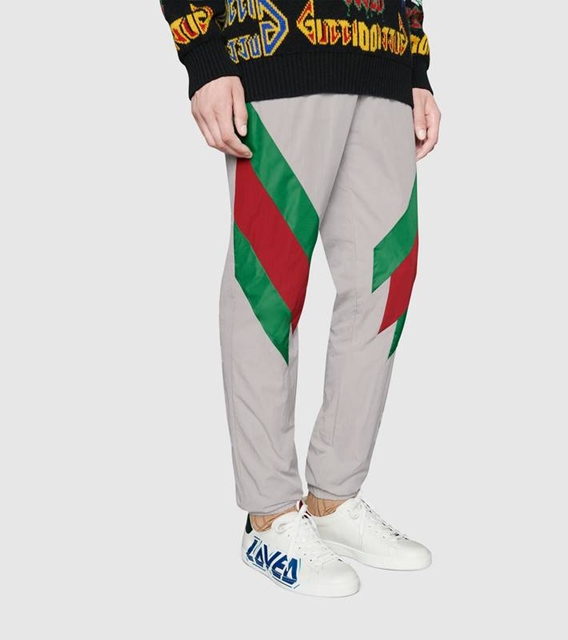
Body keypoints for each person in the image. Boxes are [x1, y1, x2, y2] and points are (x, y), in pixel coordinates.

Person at [159, 0, 441, 597]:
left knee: (386, 279)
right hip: (275, 47)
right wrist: (204, 56)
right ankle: (268, 516)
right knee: (271, 282)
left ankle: (334, 498)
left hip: (383, 59)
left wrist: (416, 67)